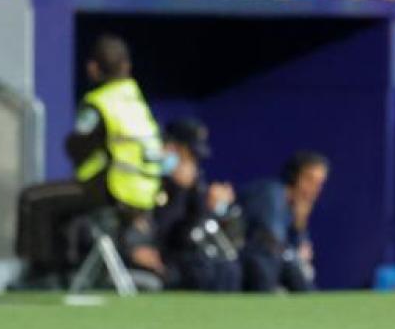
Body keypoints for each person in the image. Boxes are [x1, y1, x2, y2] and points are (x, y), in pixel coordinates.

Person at [14, 35, 163, 285]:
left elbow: (78, 146)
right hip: (143, 191)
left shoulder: (100, 102)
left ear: (94, 67)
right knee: (60, 203)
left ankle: (41, 275)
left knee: (33, 199)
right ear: (126, 67)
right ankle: (65, 266)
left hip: (114, 187)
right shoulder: (134, 99)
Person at [137, 119, 241, 291]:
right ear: (170, 148)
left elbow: (195, 225)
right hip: (160, 252)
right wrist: (178, 189)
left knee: (228, 269)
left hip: (184, 252)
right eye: (187, 154)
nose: (191, 162)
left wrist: (211, 205)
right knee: (197, 270)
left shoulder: (193, 183)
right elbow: (160, 228)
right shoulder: (150, 178)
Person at [239, 151, 330, 293]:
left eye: (319, 183)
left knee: (297, 271)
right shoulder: (272, 194)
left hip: (269, 261)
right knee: (269, 262)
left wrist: (299, 225)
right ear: (294, 175)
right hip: (247, 258)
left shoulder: (296, 208)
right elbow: (269, 242)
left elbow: (299, 249)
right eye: (309, 179)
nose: (314, 189)